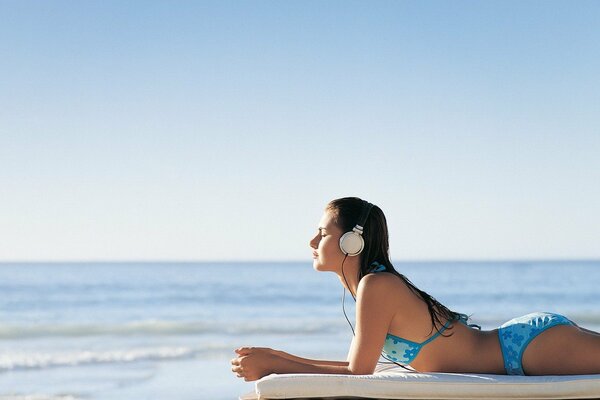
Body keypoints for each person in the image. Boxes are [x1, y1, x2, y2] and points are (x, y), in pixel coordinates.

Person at [231, 197, 600, 382]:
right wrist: (277, 356)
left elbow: (358, 376)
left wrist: (277, 365)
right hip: (523, 346)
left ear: (350, 243)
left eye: (324, 233)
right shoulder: (369, 287)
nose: (312, 240)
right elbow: (360, 366)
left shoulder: (378, 286)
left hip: (524, 351)